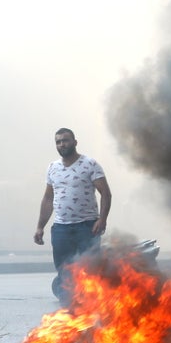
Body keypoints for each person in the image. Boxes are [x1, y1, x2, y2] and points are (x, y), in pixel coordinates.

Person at [33, 128, 111, 302]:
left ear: (75, 142)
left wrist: (102, 219)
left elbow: (105, 193)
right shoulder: (53, 168)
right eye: (58, 142)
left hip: (87, 226)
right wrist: (40, 227)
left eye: (65, 140)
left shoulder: (90, 164)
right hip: (61, 228)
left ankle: (92, 306)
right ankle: (69, 307)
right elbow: (48, 198)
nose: (62, 144)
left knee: (90, 270)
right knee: (64, 271)